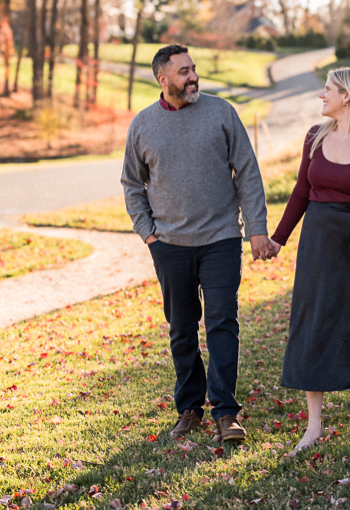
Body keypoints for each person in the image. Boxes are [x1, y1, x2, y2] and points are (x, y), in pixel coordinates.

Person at [122, 43, 277, 443]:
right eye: (183, 72)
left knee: (223, 321)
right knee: (182, 328)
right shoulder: (142, 125)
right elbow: (131, 184)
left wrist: (256, 228)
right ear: (163, 79)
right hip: (170, 244)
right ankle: (190, 408)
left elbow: (247, 171)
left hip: (221, 238)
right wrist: (149, 235)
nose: (192, 77)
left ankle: (226, 411)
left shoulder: (222, 112)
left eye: (193, 69)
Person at [268, 66, 350, 452]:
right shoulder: (314, 137)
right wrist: (279, 238)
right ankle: (313, 426)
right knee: (313, 325)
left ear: (348, 96)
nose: (321, 95)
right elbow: (300, 193)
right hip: (317, 244)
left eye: (327, 89)